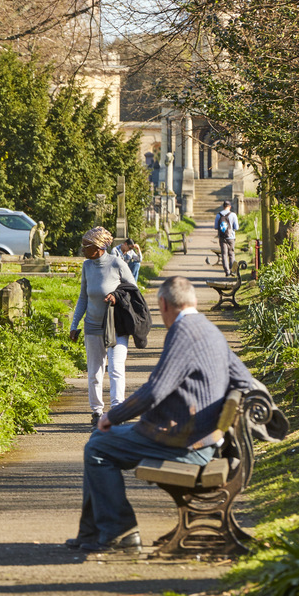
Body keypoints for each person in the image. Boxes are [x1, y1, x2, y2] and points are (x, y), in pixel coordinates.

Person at [66, 276, 255, 552]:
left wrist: (112, 416)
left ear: (164, 304)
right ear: (191, 300)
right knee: (99, 443)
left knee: (98, 446)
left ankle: (120, 532)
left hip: (185, 441)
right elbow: (245, 381)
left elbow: (155, 390)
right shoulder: (209, 330)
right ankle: (93, 533)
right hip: (201, 436)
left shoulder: (183, 333)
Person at [70, 226, 139, 429]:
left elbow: (132, 290)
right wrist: (74, 324)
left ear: (99, 247)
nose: (82, 249)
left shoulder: (117, 263)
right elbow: (83, 296)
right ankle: (97, 412)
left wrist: (116, 296)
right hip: (92, 326)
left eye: (86, 246)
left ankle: (117, 412)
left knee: (116, 368)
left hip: (116, 326)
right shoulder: (87, 266)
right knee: (94, 371)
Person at [214, 200, 239, 275]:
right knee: (231, 253)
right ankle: (232, 271)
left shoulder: (218, 215)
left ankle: (227, 271)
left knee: (224, 254)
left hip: (222, 237)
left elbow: (215, 227)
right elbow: (236, 227)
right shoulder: (233, 215)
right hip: (231, 237)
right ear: (230, 207)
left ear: (223, 206)